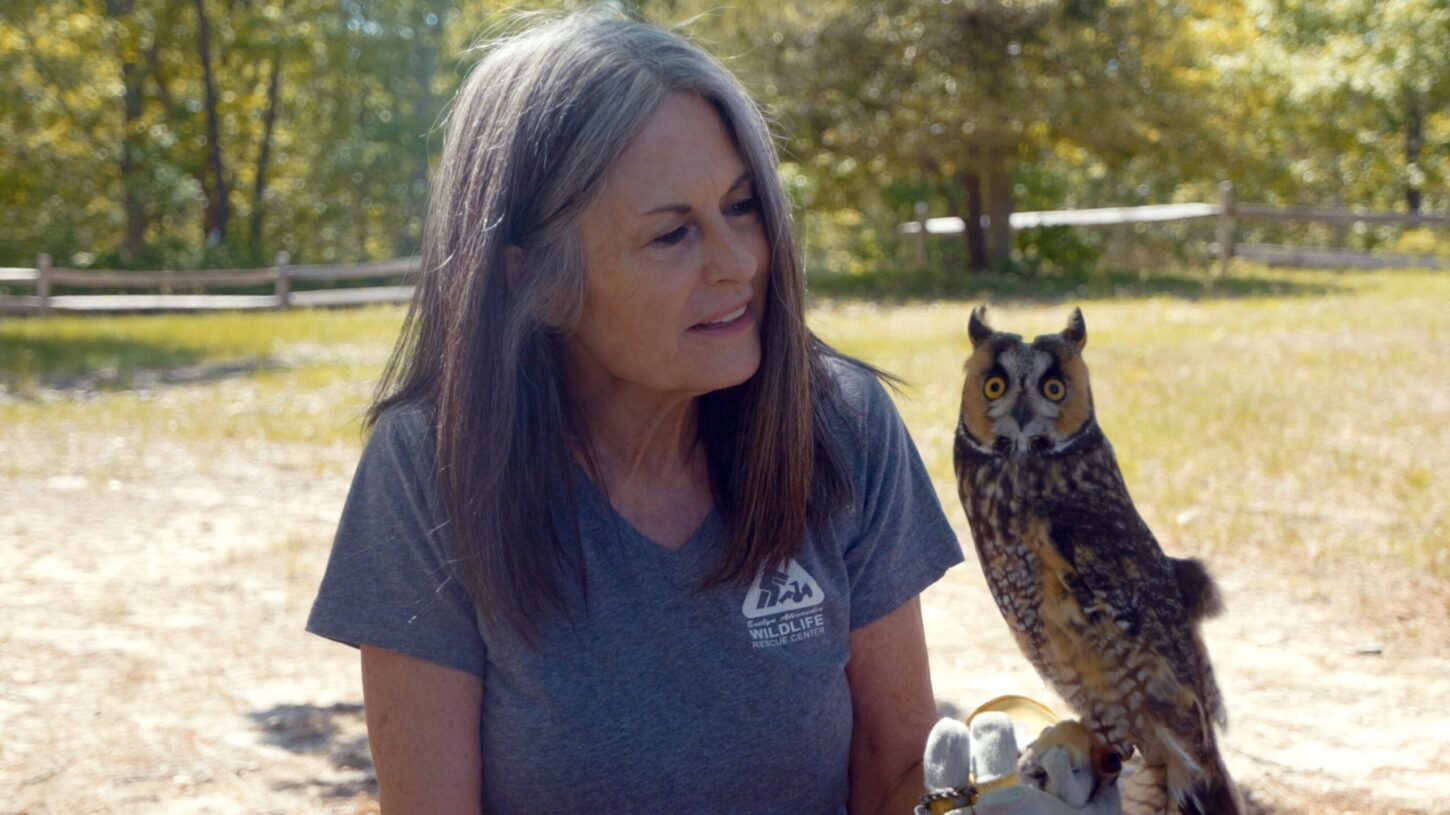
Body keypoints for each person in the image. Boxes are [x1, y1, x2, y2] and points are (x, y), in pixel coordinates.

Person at [307, 11, 1097, 815]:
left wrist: (986, 806)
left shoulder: (845, 426)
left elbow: (894, 768)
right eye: (672, 234)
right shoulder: (430, 468)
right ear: (533, 280)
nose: (740, 260)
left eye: (743, 205)